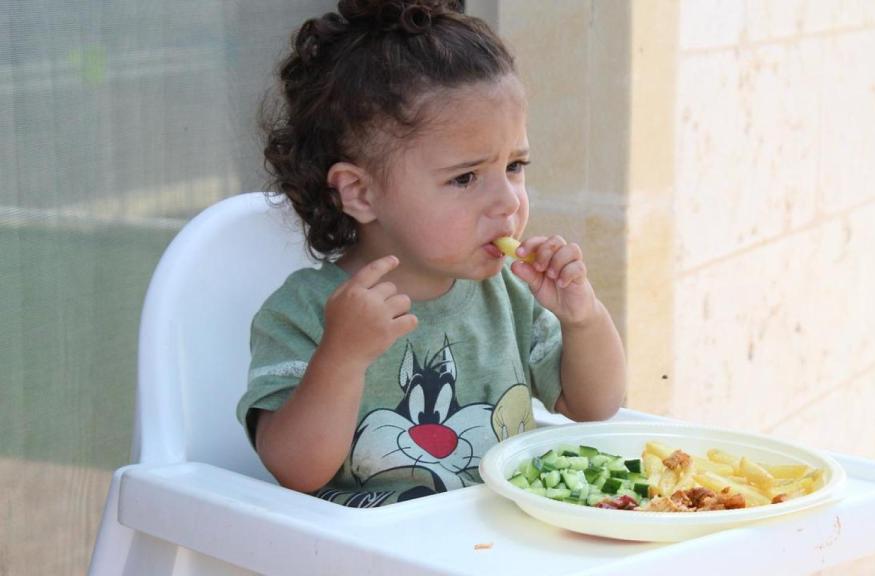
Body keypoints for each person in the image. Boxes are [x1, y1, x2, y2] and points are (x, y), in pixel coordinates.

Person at [237, 0, 626, 508]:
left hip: (496, 544)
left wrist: (583, 319)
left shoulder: (509, 294)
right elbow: (297, 472)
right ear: (360, 193)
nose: (508, 201)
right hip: (370, 555)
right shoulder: (305, 313)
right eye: (465, 178)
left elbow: (594, 406)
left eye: (515, 165)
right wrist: (342, 357)